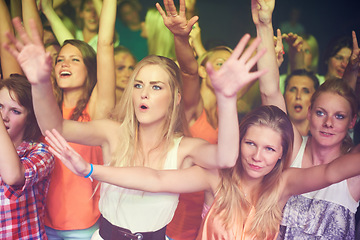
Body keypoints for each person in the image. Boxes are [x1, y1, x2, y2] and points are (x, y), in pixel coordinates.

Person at [4, 0, 267, 238]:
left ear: (175, 97)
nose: (144, 93)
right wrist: (39, 83)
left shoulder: (185, 147)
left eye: (156, 87)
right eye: (139, 85)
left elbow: (226, 158)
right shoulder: (112, 132)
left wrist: (227, 97)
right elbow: (55, 127)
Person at [5, 0, 116, 238]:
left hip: (84, 228)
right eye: (60, 59)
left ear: (90, 67)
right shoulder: (45, 109)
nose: (64, 63)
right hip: (42, 225)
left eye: (75, 59)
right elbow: (32, 42)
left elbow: (105, 45)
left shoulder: (96, 108)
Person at [253, 0, 360, 238]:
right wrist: (264, 23)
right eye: (321, 112)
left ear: (352, 123)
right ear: (310, 113)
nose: (328, 123)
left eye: (339, 116)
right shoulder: (292, 150)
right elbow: (270, 91)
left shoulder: (353, 172)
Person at [0, 74, 55, 239]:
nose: (4, 116)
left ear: (29, 119)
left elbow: (14, 176)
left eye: (15, 111)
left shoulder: (42, 152)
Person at [283, 69, 319, 136]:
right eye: (292, 90)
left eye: (306, 91)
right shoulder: (274, 132)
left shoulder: (322, 136)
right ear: (284, 95)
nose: (298, 96)